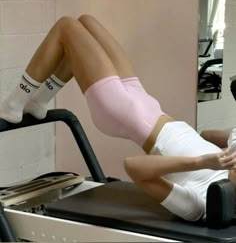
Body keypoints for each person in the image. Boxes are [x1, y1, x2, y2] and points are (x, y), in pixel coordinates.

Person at [0, 15, 236, 222]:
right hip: (142, 100)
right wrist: (228, 143)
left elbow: (133, 167)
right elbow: (207, 135)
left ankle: (13, 103)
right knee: (86, 22)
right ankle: (39, 101)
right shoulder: (228, 165)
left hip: (121, 110)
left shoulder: (200, 203)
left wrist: (203, 162)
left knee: (66, 27)